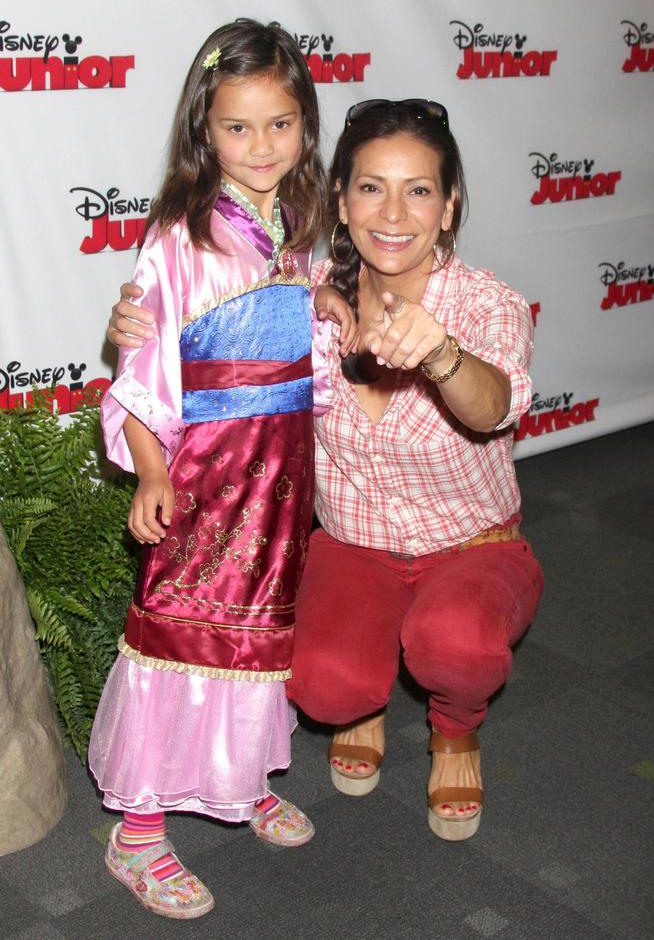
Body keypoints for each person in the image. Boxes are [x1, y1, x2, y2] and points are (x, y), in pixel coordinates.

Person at [107, 98, 543, 847]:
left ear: (450, 205)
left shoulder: (486, 304)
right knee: (322, 683)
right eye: (371, 187)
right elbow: (210, 333)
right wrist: (146, 316)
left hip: (471, 546)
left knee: (457, 646)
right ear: (340, 200)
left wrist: (442, 355)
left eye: (420, 190)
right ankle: (360, 697)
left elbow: (491, 404)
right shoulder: (311, 295)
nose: (394, 212)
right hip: (353, 548)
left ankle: (456, 731)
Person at [89, 19, 356, 920]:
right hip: (206, 481)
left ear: (307, 127)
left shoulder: (297, 225)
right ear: (205, 128)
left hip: (280, 481)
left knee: (258, 638)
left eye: (280, 124)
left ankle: (238, 780)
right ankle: (137, 831)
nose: (260, 146)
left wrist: (319, 295)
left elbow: (292, 339)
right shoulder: (179, 236)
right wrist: (155, 471)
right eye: (238, 127)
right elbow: (146, 367)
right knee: (181, 639)